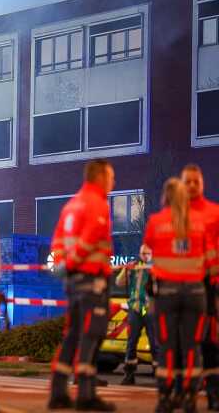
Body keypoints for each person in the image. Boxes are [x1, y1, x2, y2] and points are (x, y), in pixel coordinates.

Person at [48, 159, 116, 412]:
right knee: (91, 334)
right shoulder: (97, 204)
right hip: (91, 279)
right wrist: (75, 262)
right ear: (99, 177)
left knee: (73, 335)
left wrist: (63, 265)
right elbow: (89, 240)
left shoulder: (71, 205)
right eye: (111, 177)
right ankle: (86, 396)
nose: (113, 182)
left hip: (73, 281)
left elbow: (57, 242)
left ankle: (58, 392)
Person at [144, 177, 217, 413]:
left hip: (167, 293)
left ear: (164, 197)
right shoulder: (199, 222)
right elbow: (211, 261)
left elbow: (148, 254)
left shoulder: (156, 221)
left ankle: (165, 398)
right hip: (196, 294)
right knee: (192, 348)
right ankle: (189, 398)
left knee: (167, 347)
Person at [181, 164, 219, 409]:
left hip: (208, 285)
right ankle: (187, 394)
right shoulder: (176, 215)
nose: (193, 185)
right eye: (188, 181)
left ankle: (214, 393)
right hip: (183, 286)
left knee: (210, 342)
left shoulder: (215, 213)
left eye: (196, 181)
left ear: (202, 184)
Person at [115, 245, 158, 385]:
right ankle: (129, 373)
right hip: (135, 307)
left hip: (149, 308)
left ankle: (159, 374)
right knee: (131, 342)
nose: (145, 255)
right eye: (143, 253)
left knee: (154, 342)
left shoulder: (155, 267)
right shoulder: (134, 266)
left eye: (147, 253)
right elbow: (119, 282)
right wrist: (125, 270)